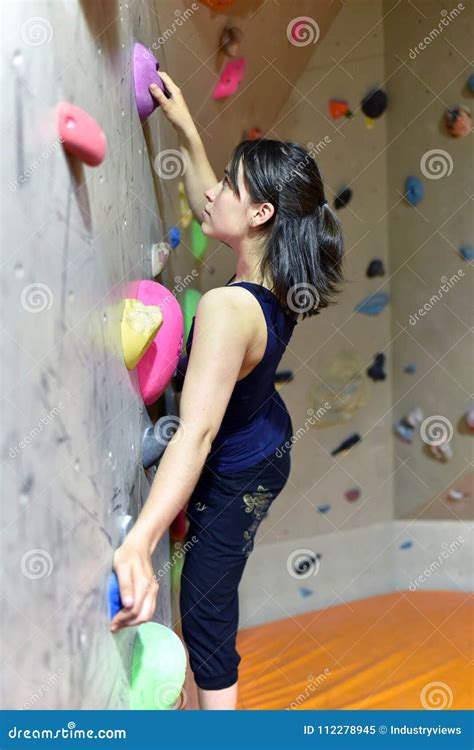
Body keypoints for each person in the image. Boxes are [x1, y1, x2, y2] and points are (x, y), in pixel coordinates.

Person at [110, 72, 346, 710]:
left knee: (206, 605)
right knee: (206, 593)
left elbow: (198, 433)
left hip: (245, 464)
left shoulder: (227, 308)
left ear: (261, 214)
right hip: (262, 434)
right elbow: (208, 200)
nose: (211, 195)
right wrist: (185, 128)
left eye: (229, 188)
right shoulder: (268, 271)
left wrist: (141, 539)